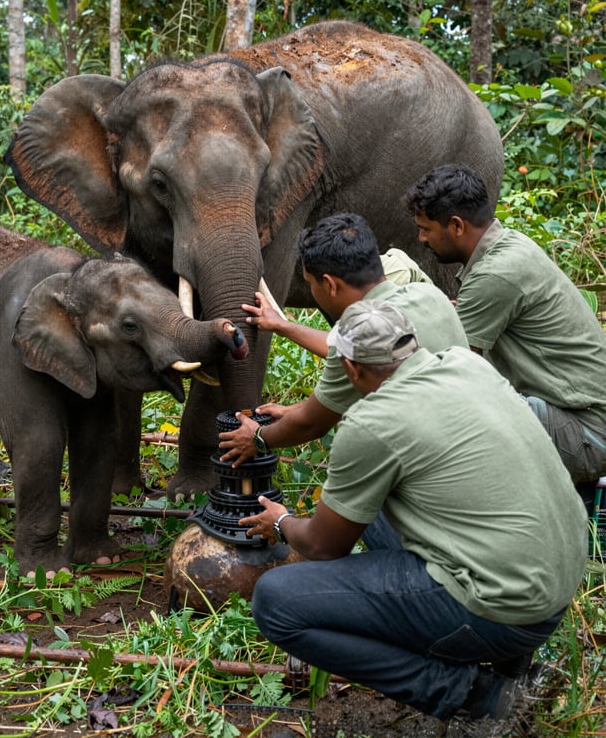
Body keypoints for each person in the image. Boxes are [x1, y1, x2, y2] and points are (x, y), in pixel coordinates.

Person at [240, 299, 588, 723]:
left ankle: (475, 695)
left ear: (350, 369)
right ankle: (513, 664)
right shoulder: (465, 364)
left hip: (506, 609)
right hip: (558, 577)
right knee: (374, 506)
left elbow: (322, 546)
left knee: (276, 603)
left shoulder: (371, 424)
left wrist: (280, 521)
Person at [403, 163, 606, 508]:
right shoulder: (510, 245)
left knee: (448, 416)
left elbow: (448, 371)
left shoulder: (496, 274)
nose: (421, 239)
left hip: (587, 431)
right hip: (574, 414)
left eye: (426, 229)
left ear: (456, 226)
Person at [218, 212, 467, 465]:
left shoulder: (359, 338)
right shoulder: (430, 295)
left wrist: (258, 437)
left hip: (433, 466)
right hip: (474, 438)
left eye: (310, 283)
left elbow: (310, 425)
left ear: (330, 284)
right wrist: (283, 327)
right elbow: (340, 347)